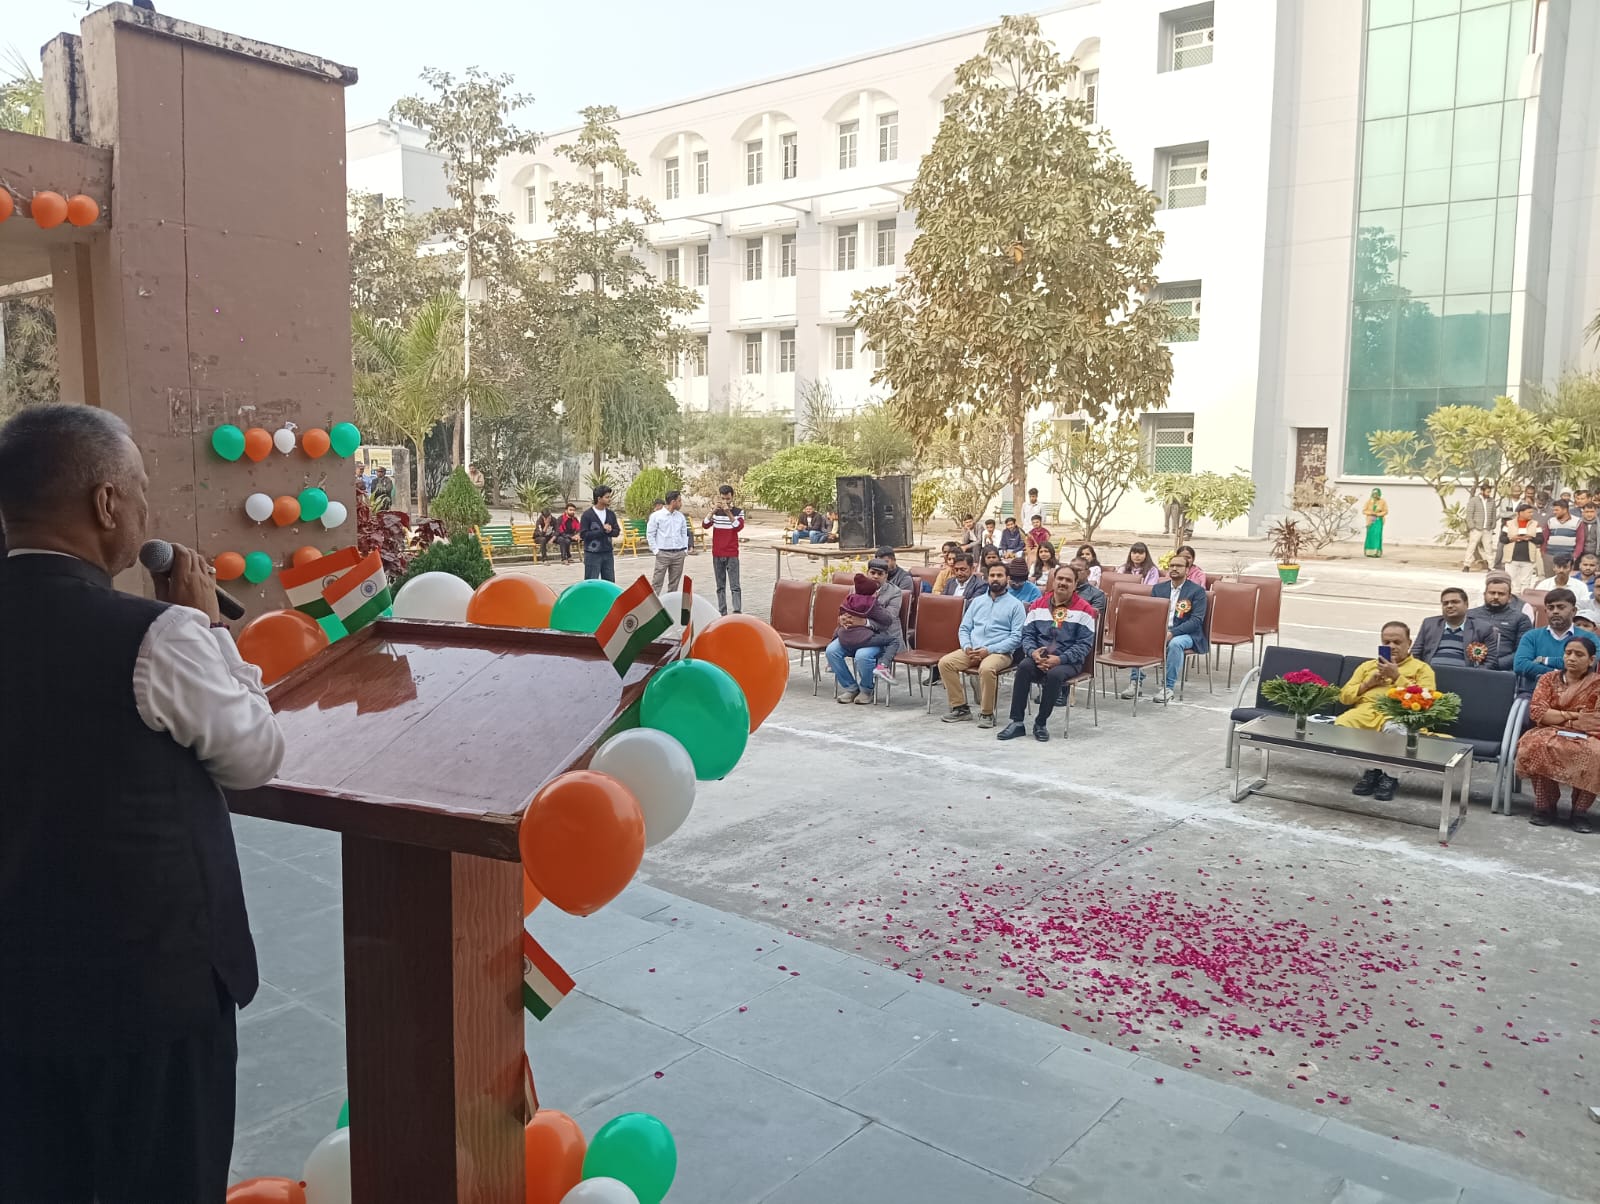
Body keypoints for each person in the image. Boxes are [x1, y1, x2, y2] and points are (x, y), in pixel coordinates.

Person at [0, 405, 285, 1201]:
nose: (146, 509)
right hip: (149, 997)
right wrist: (205, 625)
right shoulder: (159, 636)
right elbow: (255, 758)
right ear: (105, 504)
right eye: (140, 489)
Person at [1336, 622, 1434, 801]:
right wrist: (1368, 684)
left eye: (1397, 642)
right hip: (1366, 712)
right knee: (1342, 725)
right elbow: (1344, 697)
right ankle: (1370, 771)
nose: (1392, 646)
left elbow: (1426, 699)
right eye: (1386, 642)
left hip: (1398, 713)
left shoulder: (1421, 668)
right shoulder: (1367, 666)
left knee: (1395, 729)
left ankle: (1390, 776)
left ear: (1409, 643)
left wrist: (1397, 676)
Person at [999, 565, 1096, 742]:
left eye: (1068, 580)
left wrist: (1060, 659)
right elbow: (1027, 635)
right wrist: (1032, 652)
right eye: (1060, 579)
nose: (1063, 583)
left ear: (1075, 585)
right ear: (1053, 581)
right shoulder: (1038, 605)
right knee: (1023, 667)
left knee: (1054, 674)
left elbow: (1084, 644)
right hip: (1039, 657)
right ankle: (1017, 722)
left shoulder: (1085, 610)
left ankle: (1040, 723)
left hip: (1068, 661)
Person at [1514, 637, 1600, 831]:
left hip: (1587, 734)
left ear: (1591, 660)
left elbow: (1594, 720)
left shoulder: (1597, 684)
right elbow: (1538, 712)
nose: (1572, 658)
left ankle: (1579, 812)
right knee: (1536, 745)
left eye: (1579, 654)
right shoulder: (1548, 679)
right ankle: (1545, 807)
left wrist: (1558, 716)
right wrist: (1573, 716)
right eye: (1568, 653)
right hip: (1549, 730)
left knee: (1596, 754)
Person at [938, 561, 1025, 728]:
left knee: (986, 668)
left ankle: (987, 713)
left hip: (1000, 652)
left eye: (999, 575)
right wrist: (967, 647)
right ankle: (960, 708)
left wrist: (989, 650)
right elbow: (964, 628)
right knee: (945, 663)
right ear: (987, 578)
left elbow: (1016, 638)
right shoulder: (977, 602)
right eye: (992, 575)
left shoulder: (1016, 605)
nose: (995, 579)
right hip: (972, 649)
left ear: (1007, 578)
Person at [1121, 551, 1208, 703]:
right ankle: (1135, 682)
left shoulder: (1197, 591)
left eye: (1179, 566)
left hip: (1187, 634)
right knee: (1140, 638)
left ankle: (1168, 688)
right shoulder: (1158, 589)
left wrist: (1172, 633)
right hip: (1160, 631)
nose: (1174, 568)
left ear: (1187, 570)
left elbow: (1196, 621)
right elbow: (1151, 615)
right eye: (1171, 565)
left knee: (1175, 643)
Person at [825, 559, 902, 703]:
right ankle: (851, 688)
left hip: (879, 636)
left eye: (880, 574)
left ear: (886, 575)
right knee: (831, 651)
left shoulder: (895, 593)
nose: (875, 576)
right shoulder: (856, 588)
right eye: (872, 573)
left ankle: (866, 690)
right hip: (853, 634)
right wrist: (843, 619)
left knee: (862, 655)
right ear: (867, 573)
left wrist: (864, 622)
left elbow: (889, 620)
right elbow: (845, 609)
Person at [1514, 588, 1599, 695]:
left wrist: (1544, 660)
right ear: (1546, 611)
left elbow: (1585, 665)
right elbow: (1520, 665)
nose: (1555, 611)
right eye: (1550, 608)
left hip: (1576, 695)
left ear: (1574, 611)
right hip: (1533, 693)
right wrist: (1557, 673)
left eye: (1561, 607)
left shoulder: (1589, 638)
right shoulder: (1531, 636)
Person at [1411, 586, 1496, 668]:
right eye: (1445, 603)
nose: (1449, 606)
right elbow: (1415, 654)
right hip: (1430, 673)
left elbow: (1491, 661)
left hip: (1465, 675)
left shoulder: (1483, 628)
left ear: (1466, 604)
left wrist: (1474, 674)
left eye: (1455, 602)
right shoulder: (1429, 624)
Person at [1467, 572, 1534, 672]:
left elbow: (1523, 651)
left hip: (1503, 670)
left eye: (1501, 594)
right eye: (1492, 593)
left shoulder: (1521, 619)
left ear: (1509, 598)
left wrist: (1494, 664)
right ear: (1484, 595)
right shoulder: (1470, 615)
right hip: (1469, 667)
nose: (1496, 597)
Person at [703, 484, 745, 615]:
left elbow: (738, 527)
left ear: (732, 497)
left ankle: (737, 611)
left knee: (735, 586)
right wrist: (712, 511)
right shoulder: (716, 512)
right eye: (723, 498)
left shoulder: (738, 512)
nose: (725, 501)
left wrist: (728, 512)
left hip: (731, 553)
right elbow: (705, 525)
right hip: (717, 552)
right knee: (720, 586)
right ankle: (722, 612)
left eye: (728, 499)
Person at [647, 489, 691, 593]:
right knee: (657, 582)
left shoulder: (680, 516)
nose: (681, 503)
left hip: (678, 553)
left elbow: (684, 533)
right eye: (679, 501)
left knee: (674, 583)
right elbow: (650, 534)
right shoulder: (656, 516)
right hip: (663, 553)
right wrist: (656, 551)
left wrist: (684, 550)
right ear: (673, 502)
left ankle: (671, 601)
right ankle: (653, 603)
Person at [579, 485, 622, 581]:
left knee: (609, 581)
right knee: (591, 580)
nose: (609, 499)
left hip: (607, 552)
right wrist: (601, 531)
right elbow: (584, 534)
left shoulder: (610, 514)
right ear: (599, 498)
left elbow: (617, 531)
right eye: (607, 497)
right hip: (592, 553)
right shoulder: (587, 515)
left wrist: (610, 531)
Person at [1500, 501, 1544, 593]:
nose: (1531, 514)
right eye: (1529, 512)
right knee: (1512, 582)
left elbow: (1540, 539)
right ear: (1521, 513)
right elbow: (1502, 539)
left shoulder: (1535, 524)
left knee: (1526, 582)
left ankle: (1524, 599)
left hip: (1528, 558)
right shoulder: (1509, 523)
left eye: (1532, 512)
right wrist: (1512, 539)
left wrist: (1531, 538)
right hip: (1511, 558)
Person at [1462, 483, 1497, 572]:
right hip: (1476, 528)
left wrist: (1493, 525)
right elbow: (1469, 514)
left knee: (1489, 548)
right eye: (1487, 492)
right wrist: (1472, 526)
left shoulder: (1491, 501)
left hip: (1487, 529)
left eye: (1489, 492)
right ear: (1482, 491)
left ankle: (1491, 566)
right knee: (1471, 547)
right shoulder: (1474, 500)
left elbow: (1493, 514)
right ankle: (1466, 565)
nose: (1489, 493)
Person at [1545, 496, 1578, 574]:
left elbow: (1580, 541)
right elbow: (1545, 538)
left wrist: (1575, 555)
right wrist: (1544, 554)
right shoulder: (1550, 521)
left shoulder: (1577, 521)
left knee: (1565, 577)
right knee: (1550, 577)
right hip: (1550, 555)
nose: (1554, 512)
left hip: (1568, 556)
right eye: (1554, 510)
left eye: (1557, 510)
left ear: (1565, 510)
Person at [1070, 556, 1106, 624]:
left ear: (1088, 573)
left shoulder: (1097, 595)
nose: (1074, 573)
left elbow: (1093, 620)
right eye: (1072, 570)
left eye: (1078, 570)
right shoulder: (1061, 591)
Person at [1363, 488, 1388, 558]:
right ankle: (1369, 552)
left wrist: (1378, 514)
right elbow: (1364, 511)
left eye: (1376, 494)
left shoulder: (1383, 502)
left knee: (1377, 535)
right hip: (1370, 520)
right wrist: (1371, 513)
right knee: (1370, 535)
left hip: (1378, 520)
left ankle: (1376, 552)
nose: (1375, 495)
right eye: (1374, 494)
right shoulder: (1369, 501)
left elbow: (1386, 511)